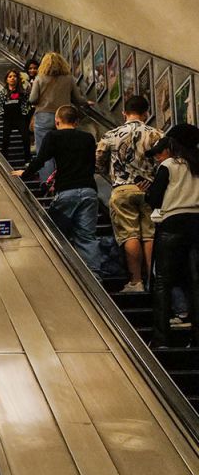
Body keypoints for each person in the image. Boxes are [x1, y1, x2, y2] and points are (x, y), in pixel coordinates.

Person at [13, 105, 100, 271]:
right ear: (76, 121)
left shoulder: (53, 136)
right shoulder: (88, 138)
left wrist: (24, 174)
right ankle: (95, 276)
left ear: (57, 121)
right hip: (89, 191)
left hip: (67, 191)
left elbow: (40, 159)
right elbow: (92, 164)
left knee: (53, 230)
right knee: (87, 236)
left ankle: (58, 269)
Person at [97, 95, 164, 292]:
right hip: (150, 189)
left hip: (122, 189)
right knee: (150, 234)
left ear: (124, 112)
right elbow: (164, 162)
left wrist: (111, 176)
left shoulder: (111, 134)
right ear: (146, 114)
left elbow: (99, 159)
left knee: (129, 234)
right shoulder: (157, 135)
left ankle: (136, 281)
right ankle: (153, 281)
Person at [145, 124, 199, 348]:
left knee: (163, 283)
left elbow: (155, 199)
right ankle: (196, 338)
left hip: (173, 224)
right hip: (197, 223)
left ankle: (161, 338)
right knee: (196, 282)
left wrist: (149, 192)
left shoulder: (169, 165)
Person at [28, 52, 89, 182]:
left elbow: (32, 99)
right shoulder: (68, 78)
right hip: (64, 117)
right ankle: (64, 180)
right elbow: (78, 99)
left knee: (44, 152)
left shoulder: (40, 78)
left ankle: (48, 183)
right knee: (65, 150)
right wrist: (86, 101)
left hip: (44, 117)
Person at [0, 69, 34, 162]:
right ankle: (4, 160)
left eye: (14, 76)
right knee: (5, 139)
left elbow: (29, 102)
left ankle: (28, 160)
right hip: (8, 119)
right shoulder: (2, 93)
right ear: (6, 79)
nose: (12, 78)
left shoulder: (22, 93)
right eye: (10, 76)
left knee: (25, 138)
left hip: (20, 118)